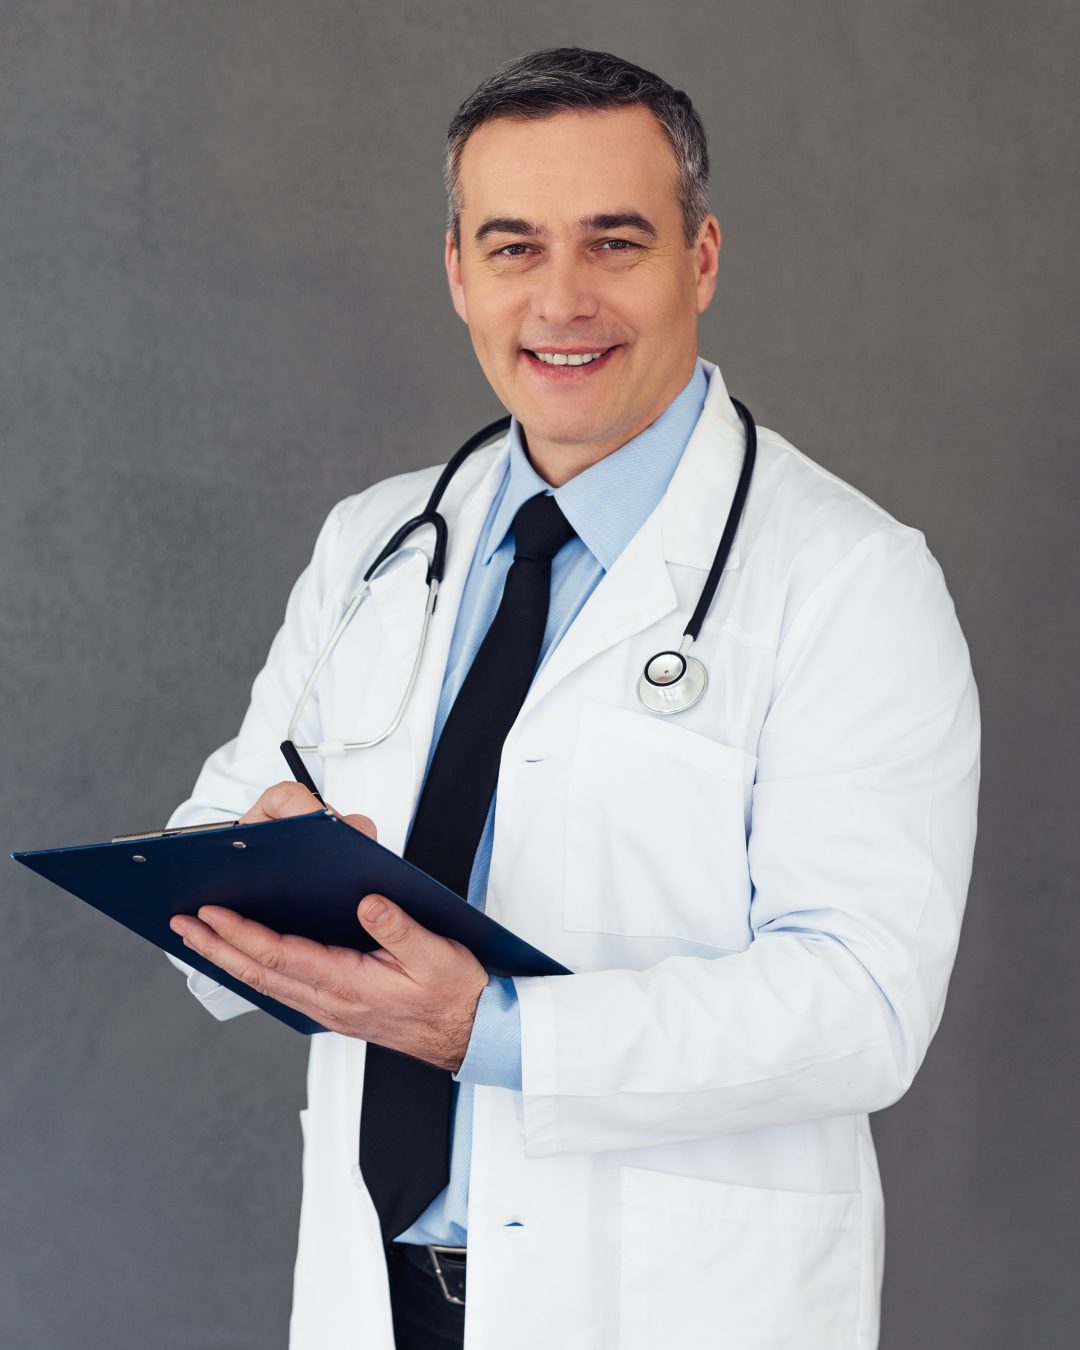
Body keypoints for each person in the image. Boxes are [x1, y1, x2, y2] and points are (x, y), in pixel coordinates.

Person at [165, 47, 979, 1350]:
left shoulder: (850, 579)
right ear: (455, 273)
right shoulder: (379, 543)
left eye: (615, 242)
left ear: (701, 259)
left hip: (667, 1302)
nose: (561, 300)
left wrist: (493, 1030)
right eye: (511, 247)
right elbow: (213, 820)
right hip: (378, 1291)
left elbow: (862, 1001)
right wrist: (262, 863)